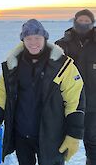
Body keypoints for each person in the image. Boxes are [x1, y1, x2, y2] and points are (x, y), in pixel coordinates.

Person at [0, 19, 85, 165]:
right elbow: (3, 94)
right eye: (29, 38)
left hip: (51, 135)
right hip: (21, 135)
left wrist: (74, 134)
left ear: (45, 38)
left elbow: (75, 100)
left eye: (37, 38)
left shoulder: (62, 65)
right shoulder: (12, 65)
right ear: (23, 40)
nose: (33, 42)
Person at [56, 9, 96, 165]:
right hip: (67, 104)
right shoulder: (62, 44)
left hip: (93, 105)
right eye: (81, 21)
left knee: (92, 143)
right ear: (74, 22)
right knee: (62, 141)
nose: (84, 24)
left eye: (87, 22)